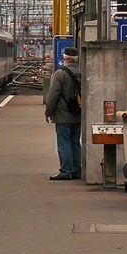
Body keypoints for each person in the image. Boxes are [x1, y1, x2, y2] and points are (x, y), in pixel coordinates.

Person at [45, 47, 82, 180]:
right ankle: (77, 170)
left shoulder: (60, 74)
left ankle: (66, 171)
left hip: (63, 115)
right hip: (78, 114)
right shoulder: (81, 72)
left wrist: (48, 111)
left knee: (64, 143)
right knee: (75, 142)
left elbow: (53, 94)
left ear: (64, 58)